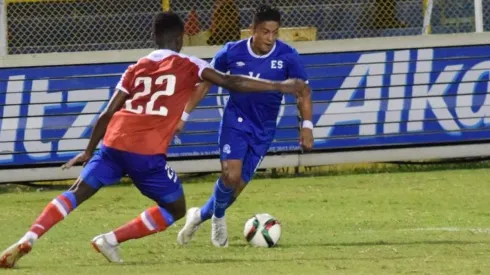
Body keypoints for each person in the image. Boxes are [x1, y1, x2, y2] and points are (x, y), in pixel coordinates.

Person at [0, 11, 306, 268]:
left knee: (77, 191)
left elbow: (108, 112)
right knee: (174, 208)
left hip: (112, 143)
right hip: (146, 154)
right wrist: (278, 87)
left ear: (154, 37)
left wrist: (87, 150)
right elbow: (231, 81)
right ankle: (110, 239)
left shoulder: (137, 67)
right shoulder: (191, 66)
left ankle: (30, 236)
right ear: (182, 38)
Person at [177, 4, 313, 248]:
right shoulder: (231, 52)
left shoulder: (288, 55)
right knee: (230, 175)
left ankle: (199, 215)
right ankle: (218, 219)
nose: (270, 38)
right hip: (236, 121)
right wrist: (184, 116)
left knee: (236, 187)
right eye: (265, 32)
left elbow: (303, 91)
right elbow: (204, 84)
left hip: (264, 128)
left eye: (274, 32)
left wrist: (307, 126)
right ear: (252, 30)